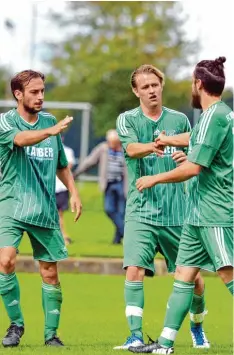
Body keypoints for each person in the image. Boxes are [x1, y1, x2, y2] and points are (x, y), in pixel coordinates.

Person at [129, 57, 233, 354]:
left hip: (215, 212)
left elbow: (193, 169)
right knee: (183, 276)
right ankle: (164, 345)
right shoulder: (214, 115)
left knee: (228, 275)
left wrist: (154, 178)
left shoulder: (215, 117)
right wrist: (169, 138)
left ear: (198, 84)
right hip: (197, 213)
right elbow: (194, 137)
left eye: (191, 82)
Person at [114, 64, 209, 350]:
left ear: (161, 85)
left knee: (195, 281)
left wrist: (184, 158)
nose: (151, 91)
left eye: (155, 85)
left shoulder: (179, 119)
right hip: (141, 210)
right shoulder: (127, 120)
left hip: (177, 212)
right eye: (145, 87)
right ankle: (134, 335)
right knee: (133, 269)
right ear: (136, 91)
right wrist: (154, 145)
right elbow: (130, 149)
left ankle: (197, 326)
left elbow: (196, 149)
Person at [0, 70, 82, 347]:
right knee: (5, 260)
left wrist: (74, 193)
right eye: (34, 92)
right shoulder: (5, 123)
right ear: (18, 94)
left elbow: (61, 164)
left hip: (44, 207)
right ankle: (15, 325)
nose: (40, 97)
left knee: (49, 272)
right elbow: (21, 140)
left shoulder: (49, 122)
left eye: (42, 91)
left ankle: (51, 335)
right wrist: (50, 130)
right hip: (11, 203)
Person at [74, 129, 127, 244]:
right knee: (109, 210)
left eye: (114, 143)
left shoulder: (125, 149)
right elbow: (89, 162)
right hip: (108, 184)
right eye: (110, 142)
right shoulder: (103, 148)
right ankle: (125, 233)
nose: (112, 145)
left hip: (122, 184)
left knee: (122, 212)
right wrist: (75, 174)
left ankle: (117, 240)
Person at [55, 138, 76, 245]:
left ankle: (62, 235)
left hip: (61, 187)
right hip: (47, 186)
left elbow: (67, 167)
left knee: (59, 213)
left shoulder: (67, 151)